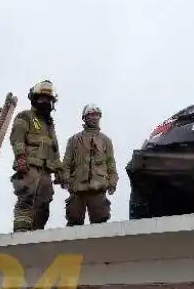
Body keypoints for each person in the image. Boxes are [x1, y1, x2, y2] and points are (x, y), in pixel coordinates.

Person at [8, 80, 63, 232]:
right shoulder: (25, 116)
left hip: (46, 171)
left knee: (44, 204)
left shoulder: (49, 124)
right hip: (29, 165)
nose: (45, 101)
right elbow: (17, 137)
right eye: (42, 98)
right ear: (34, 98)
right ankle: (21, 232)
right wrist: (20, 157)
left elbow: (55, 150)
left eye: (48, 99)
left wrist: (60, 171)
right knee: (26, 196)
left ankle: (35, 234)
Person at [60, 103, 118, 226]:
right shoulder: (74, 140)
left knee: (100, 223)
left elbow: (110, 163)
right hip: (77, 187)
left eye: (97, 115)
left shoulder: (106, 140)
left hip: (98, 187)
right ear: (85, 117)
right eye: (91, 115)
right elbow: (66, 163)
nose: (94, 118)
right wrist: (65, 179)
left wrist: (112, 182)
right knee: (74, 221)